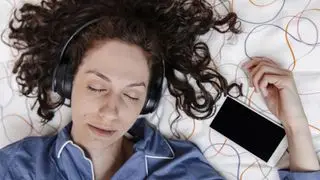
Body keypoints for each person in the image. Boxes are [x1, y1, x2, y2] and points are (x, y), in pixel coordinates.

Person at [0, 0, 319, 179]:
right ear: (67, 82)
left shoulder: (182, 170)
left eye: (132, 95)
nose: (111, 111)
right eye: (97, 87)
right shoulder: (17, 168)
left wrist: (295, 127)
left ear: (149, 101)